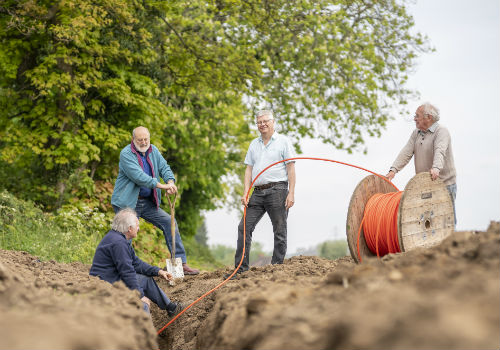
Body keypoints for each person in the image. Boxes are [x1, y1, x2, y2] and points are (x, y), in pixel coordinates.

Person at [111, 126, 199, 275]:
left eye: (146, 139)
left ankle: (180, 263)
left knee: (169, 221)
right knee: (126, 234)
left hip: (147, 202)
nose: (144, 142)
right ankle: (120, 268)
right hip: (128, 203)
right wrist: (162, 186)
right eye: (140, 140)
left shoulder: (153, 151)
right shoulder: (126, 154)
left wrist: (170, 181)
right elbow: (140, 177)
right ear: (133, 140)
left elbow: (165, 168)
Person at [227, 110, 296, 279]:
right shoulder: (253, 144)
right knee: (244, 227)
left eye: (265, 121)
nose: (262, 124)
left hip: (278, 190)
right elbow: (248, 169)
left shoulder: (283, 142)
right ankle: (240, 269)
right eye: (259, 122)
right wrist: (246, 193)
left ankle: (276, 268)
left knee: (280, 229)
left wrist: (291, 193)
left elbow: (291, 168)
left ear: (273, 122)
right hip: (257, 192)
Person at [90, 208, 184, 316]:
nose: (138, 228)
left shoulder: (119, 238)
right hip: (106, 283)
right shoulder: (119, 243)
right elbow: (127, 272)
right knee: (142, 305)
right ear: (130, 228)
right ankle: (146, 332)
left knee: (146, 280)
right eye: (137, 225)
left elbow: (136, 263)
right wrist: (139, 295)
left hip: (113, 278)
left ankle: (171, 308)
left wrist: (158, 271)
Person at [386, 102, 457, 223]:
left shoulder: (441, 132)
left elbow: (440, 151)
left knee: (446, 222)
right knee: (427, 222)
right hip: (425, 185)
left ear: (428, 117)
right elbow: (406, 152)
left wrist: (436, 168)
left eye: (417, 116)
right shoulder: (416, 133)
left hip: (444, 184)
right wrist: (393, 170)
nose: (414, 119)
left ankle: (450, 242)